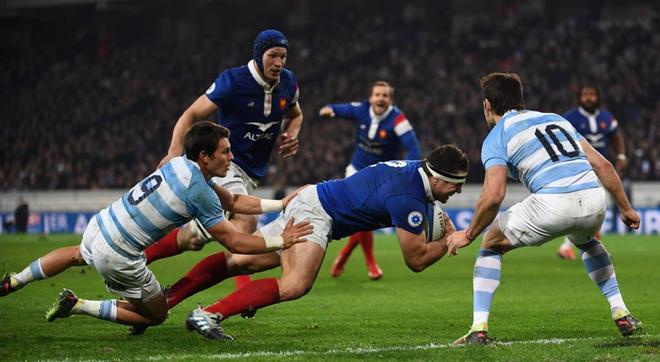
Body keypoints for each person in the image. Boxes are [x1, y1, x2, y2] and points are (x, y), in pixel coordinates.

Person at [0, 122, 312, 332]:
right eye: (225, 152)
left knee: (75, 255)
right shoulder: (198, 190)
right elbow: (236, 244)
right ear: (205, 156)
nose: (231, 157)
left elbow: (233, 201)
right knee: (156, 315)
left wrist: (281, 204)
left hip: (103, 223)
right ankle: (78, 304)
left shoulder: (180, 164)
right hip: (119, 254)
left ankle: (15, 280)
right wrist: (281, 241)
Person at [166, 144, 468, 340]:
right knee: (296, 283)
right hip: (319, 212)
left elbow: (410, 195)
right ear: (439, 178)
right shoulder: (408, 198)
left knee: (241, 260)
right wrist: (448, 241)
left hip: (316, 198)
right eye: (457, 184)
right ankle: (207, 314)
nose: (458, 191)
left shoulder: (417, 170)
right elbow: (415, 260)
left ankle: (170, 298)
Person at [447, 73, 642, 345]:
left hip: (553, 203)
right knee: (587, 241)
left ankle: (478, 329)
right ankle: (621, 311)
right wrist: (626, 208)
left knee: (491, 243)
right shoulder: (557, 119)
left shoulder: (497, 136)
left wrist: (468, 235)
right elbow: (603, 166)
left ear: (487, 105)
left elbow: (493, 196)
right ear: (520, 100)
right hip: (595, 199)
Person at [146, 29, 303, 293]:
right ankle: (239, 289)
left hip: (252, 172)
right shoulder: (233, 81)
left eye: (283, 57)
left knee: (195, 239)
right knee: (245, 220)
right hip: (226, 162)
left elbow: (296, 115)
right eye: (272, 55)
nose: (278, 63)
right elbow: (192, 113)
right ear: (258, 54)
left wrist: (292, 134)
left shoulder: (288, 83)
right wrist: (174, 151)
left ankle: (146, 259)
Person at [319, 81, 422, 280]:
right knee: (361, 211)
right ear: (371, 98)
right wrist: (328, 110)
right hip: (357, 171)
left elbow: (414, 149)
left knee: (367, 219)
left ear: (390, 100)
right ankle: (371, 263)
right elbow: (338, 109)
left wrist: (404, 172)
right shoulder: (362, 109)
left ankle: (344, 255)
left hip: (382, 177)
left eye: (385, 96)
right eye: (377, 95)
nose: (381, 98)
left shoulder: (398, 120)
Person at [557, 83, 629, 260]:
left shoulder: (605, 117)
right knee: (591, 206)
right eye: (585, 94)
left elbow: (616, 136)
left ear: (598, 97)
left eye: (592, 94)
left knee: (597, 206)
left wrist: (621, 155)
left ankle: (580, 246)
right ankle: (579, 246)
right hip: (578, 169)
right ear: (579, 98)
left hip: (600, 168)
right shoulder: (569, 118)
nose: (588, 98)